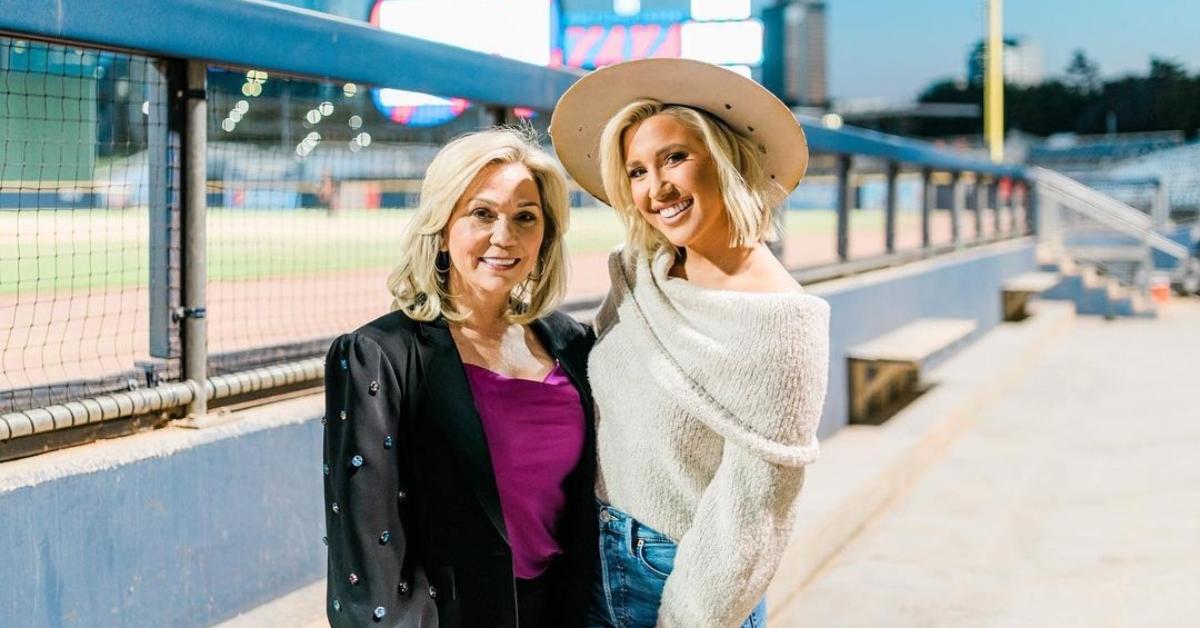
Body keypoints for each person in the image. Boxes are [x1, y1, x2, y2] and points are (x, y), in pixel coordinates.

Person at [550, 58, 831, 627]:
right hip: (592, 550)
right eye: (636, 172)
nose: (657, 189)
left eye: (675, 157)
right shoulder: (641, 271)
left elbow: (753, 516)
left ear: (723, 159)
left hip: (684, 577)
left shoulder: (782, 323)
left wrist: (687, 616)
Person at [322, 128, 597, 628]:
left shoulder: (572, 343)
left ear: (546, 235)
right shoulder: (377, 355)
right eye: (482, 213)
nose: (504, 236)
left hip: (563, 612)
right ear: (442, 226)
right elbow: (365, 556)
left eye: (525, 217)